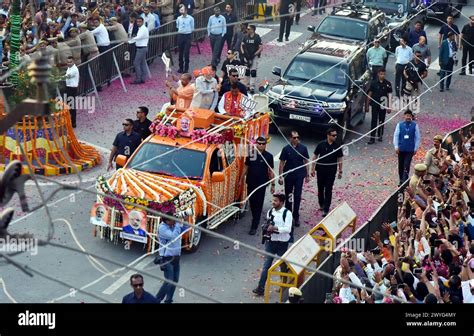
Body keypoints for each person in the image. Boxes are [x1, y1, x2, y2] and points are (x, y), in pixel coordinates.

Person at [252, 194, 292, 296]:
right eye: (273, 200)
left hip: (282, 244)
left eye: (276, 201)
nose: (273, 202)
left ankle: (283, 287)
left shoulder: (287, 214)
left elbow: (288, 229)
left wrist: (275, 228)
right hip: (270, 243)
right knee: (266, 266)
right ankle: (260, 288)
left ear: (282, 202)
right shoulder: (270, 212)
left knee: (283, 266)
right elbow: (268, 223)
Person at [240, 137, 275, 235]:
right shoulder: (251, 154)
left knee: (258, 205)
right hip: (250, 182)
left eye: (263, 144)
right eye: (259, 143)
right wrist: (241, 179)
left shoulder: (269, 156)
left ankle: (254, 225)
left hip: (261, 184)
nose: (261, 145)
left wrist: (273, 184)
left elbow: (271, 171)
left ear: (265, 145)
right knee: (252, 203)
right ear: (256, 144)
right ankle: (255, 217)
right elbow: (246, 167)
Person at [278, 131, 310, 227]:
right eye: (294, 137)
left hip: (299, 176)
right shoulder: (286, 149)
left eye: (297, 137)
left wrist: (307, 175)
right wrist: (280, 176)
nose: (296, 139)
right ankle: (288, 215)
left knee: (297, 196)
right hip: (289, 176)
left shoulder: (303, 148)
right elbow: (282, 163)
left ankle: (296, 216)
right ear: (290, 138)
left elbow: (306, 161)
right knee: (289, 196)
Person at [311, 128, 343, 217]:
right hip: (321, 170)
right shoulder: (321, 144)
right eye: (333, 135)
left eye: (336, 135)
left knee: (328, 189)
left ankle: (326, 208)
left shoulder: (337, 146)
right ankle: (321, 203)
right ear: (328, 135)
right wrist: (312, 168)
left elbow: (340, 159)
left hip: (331, 172)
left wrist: (340, 171)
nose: (335, 137)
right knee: (320, 188)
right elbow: (315, 156)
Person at [156, 216, 184, 304]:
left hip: (176, 257)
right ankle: (156, 300)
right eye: (172, 219)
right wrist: (178, 224)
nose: (174, 221)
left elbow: (185, 229)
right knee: (169, 281)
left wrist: (184, 220)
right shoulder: (162, 228)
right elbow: (173, 236)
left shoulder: (173, 226)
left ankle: (168, 300)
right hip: (167, 258)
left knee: (175, 280)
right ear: (167, 221)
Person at [393, 109, 421, 186]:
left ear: (411, 117)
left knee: (406, 164)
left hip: (410, 149)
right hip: (401, 148)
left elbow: (417, 137)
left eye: (409, 116)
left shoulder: (415, 125)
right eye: (407, 116)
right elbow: (396, 136)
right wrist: (396, 146)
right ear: (404, 116)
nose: (408, 117)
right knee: (401, 165)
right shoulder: (399, 125)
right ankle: (401, 180)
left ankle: (404, 181)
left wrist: (415, 148)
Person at [366, 68, 392, 144]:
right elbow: (369, 95)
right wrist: (367, 105)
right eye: (381, 74)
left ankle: (380, 135)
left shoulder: (388, 84)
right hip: (374, 105)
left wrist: (389, 106)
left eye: (383, 74)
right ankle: (372, 138)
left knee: (381, 120)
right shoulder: (374, 83)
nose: (382, 75)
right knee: (373, 121)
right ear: (378, 74)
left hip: (383, 105)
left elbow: (389, 96)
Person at [241, 25, 263, 94]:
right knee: (247, 71)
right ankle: (246, 85)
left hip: (254, 56)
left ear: (253, 30)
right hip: (247, 56)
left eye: (248, 29)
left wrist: (255, 54)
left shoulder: (257, 37)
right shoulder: (245, 36)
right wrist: (244, 54)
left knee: (253, 71)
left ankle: (252, 86)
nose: (247, 30)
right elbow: (242, 45)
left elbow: (261, 47)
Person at [130, 16, 149, 84]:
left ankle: (138, 79)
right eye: (137, 22)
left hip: (141, 48)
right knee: (142, 63)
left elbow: (138, 37)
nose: (138, 23)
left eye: (140, 22)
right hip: (142, 48)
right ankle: (143, 78)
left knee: (136, 63)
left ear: (142, 22)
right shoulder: (141, 28)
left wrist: (129, 41)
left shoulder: (143, 29)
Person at [176, 5, 194, 73]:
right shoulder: (178, 18)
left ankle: (186, 68)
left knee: (186, 53)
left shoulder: (191, 18)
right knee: (180, 52)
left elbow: (192, 28)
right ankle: (181, 67)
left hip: (187, 36)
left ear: (186, 10)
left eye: (183, 9)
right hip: (180, 36)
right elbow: (177, 26)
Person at [64, 56, 79, 128]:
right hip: (69, 87)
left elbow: (66, 77)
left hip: (72, 89)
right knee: (69, 106)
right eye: (68, 62)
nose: (69, 63)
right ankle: (70, 121)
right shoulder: (69, 68)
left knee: (71, 106)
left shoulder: (74, 70)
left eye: (70, 62)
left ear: (74, 62)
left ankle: (73, 123)